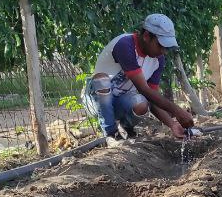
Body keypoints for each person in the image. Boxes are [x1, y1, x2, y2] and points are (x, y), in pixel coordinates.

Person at [84, 14, 196, 145]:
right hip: (95, 101)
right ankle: (110, 134)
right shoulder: (125, 45)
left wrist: (172, 124)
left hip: (120, 102)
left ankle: (126, 129)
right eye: (160, 45)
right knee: (101, 80)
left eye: (166, 48)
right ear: (147, 36)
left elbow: (151, 97)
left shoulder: (158, 60)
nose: (164, 51)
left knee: (142, 102)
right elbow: (143, 89)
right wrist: (177, 111)